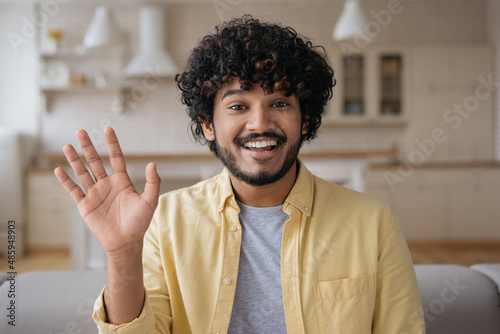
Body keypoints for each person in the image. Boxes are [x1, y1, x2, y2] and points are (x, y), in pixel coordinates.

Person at [55, 15, 425, 334]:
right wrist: (122, 254)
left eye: (280, 103)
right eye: (238, 105)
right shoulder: (164, 221)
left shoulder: (372, 223)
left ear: (306, 119)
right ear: (209, 124)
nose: (260, 123)